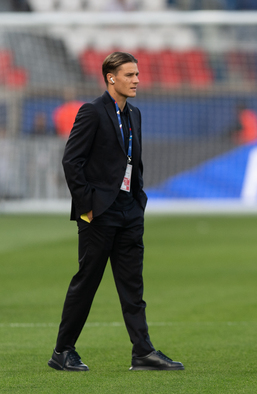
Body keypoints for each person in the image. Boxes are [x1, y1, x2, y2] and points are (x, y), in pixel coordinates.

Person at [48, 52, 183, 372]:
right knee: (87, 282)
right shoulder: (92, 111)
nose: (136, 80)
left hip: (129, 211)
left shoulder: (134, 113)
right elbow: (72, 161)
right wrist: (87, 208)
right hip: (100, 213)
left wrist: (139, 201)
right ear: (111, 78)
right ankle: (62, 351)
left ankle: (143, 352)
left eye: (137, 74)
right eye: (129, 74)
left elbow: (133, 162)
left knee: (132, 285)